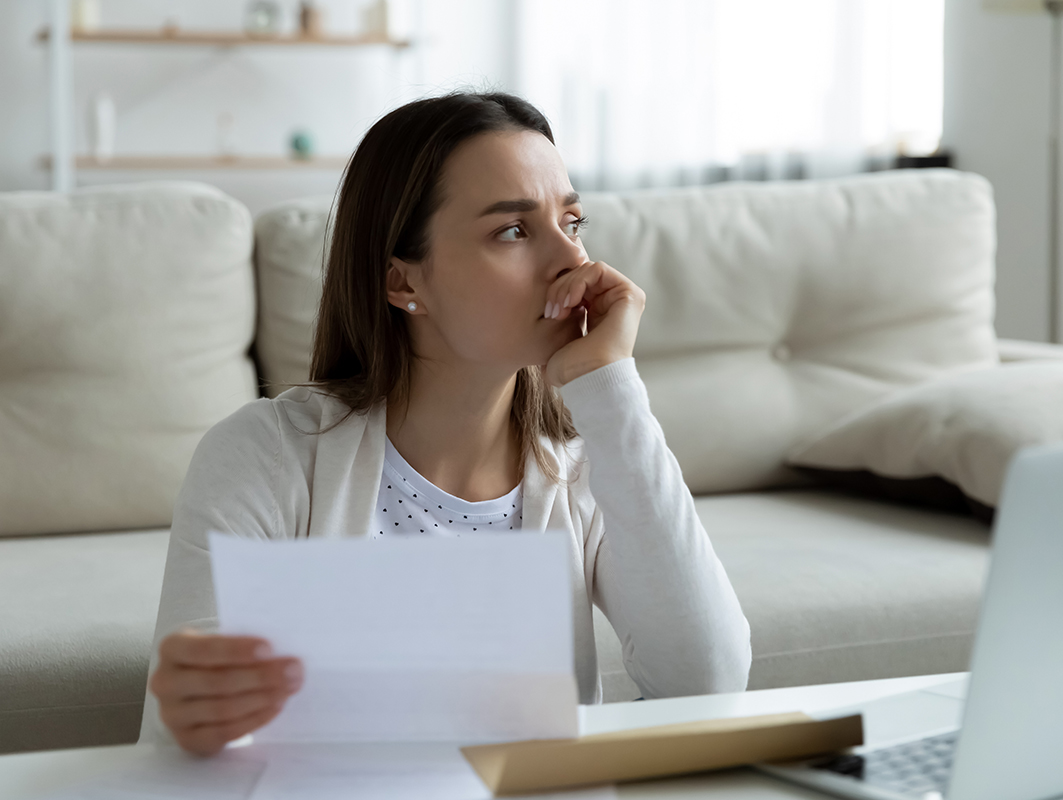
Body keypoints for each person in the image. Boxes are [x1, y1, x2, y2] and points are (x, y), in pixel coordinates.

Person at [140, 92, 751, 756]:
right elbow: (189, 749)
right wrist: (199, 710)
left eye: (571, 221)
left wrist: (609, 387)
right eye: (513, 231)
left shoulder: (588, 462)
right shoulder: (263, 456)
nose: (572, 262)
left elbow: (709, 681)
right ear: (405, 283)